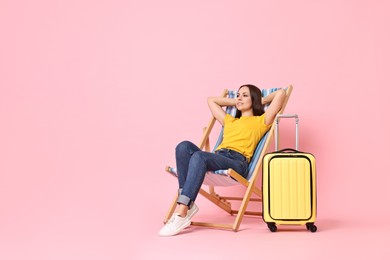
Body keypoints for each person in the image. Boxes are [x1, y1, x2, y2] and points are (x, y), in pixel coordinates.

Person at [159, 84, 286, 236]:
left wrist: (262, 99)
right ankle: (185, 203)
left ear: (254, 99)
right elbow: (211, 101)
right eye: (238, 95)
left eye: (245, 95)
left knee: (199, 156)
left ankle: (181, 211)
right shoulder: (229, 120)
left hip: (237, 162)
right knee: (183, 147)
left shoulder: (261, 121)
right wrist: (237, 102)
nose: (239, 97)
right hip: (219, 156)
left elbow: (281, 93)